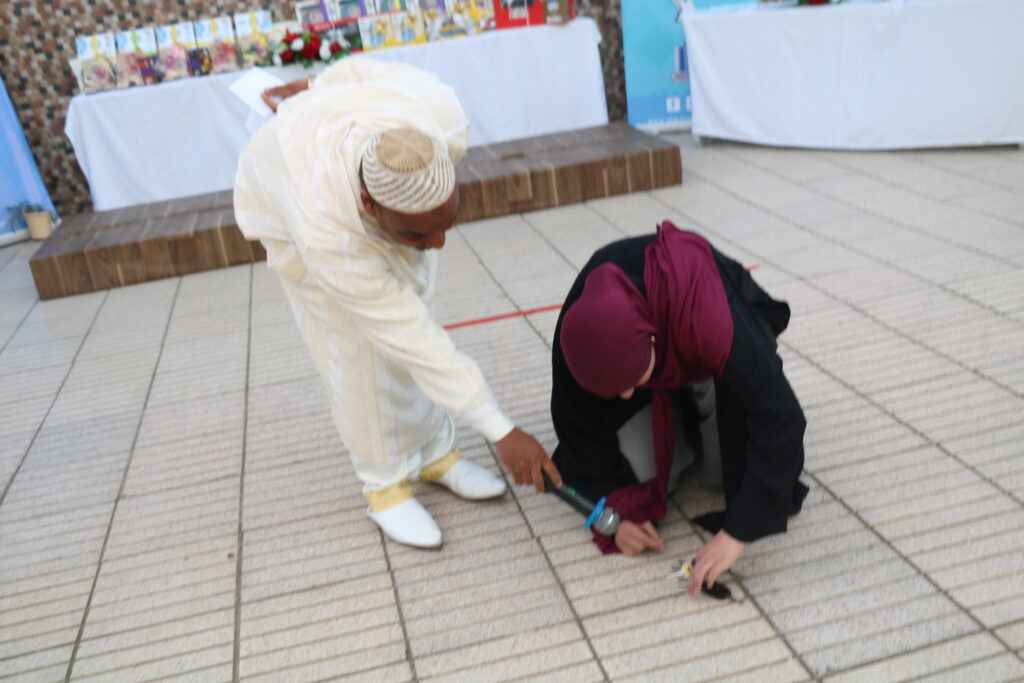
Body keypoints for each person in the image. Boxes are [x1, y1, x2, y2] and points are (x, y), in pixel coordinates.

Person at [234, 56, 560, 549]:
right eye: (419, 235)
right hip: (281, 195)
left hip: (353, 182)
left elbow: (366, 71)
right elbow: (411, 337)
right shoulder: (328, 231)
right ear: (371, 205)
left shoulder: (439, 116)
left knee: (416, 311)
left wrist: (318, 83)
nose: (438, 245)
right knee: (358, 344)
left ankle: (434, 454)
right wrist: (501, 430)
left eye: (446, 225)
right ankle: (384, 485)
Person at [551, 222, 808, 594]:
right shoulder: (580, 339)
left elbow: (781, 414)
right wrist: (612, 520)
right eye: (614, 389)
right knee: (644, 477)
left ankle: (696, 407)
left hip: (700, 340)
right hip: (655, 350)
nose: (625, 395)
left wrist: (736, 535)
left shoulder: (707, 314)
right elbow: (577, 426)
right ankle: (683, 422)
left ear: (652, 339)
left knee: (726, 477)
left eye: (631, 380)